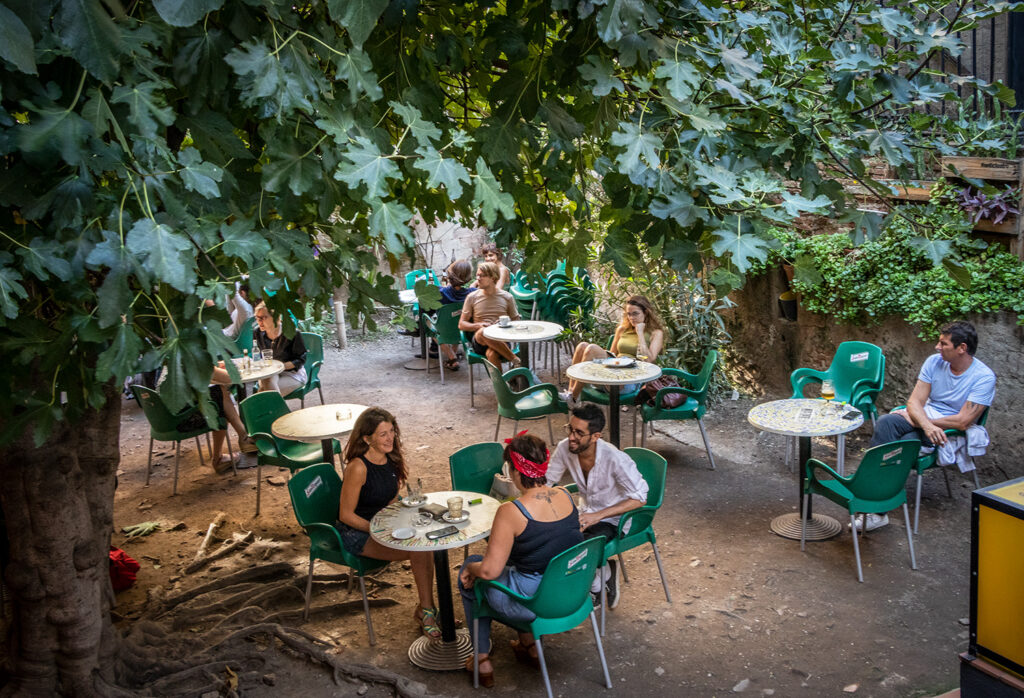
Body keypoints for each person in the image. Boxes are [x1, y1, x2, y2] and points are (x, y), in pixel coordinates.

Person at [458, 432, 583, 687]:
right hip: (571, 591)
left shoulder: (511, 511)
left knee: (473, 569)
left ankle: (481, 660)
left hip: (534, 602)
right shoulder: (566, 496)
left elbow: (491, 572)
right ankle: (530, 647)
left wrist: (471, 566)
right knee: (522, 563)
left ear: (515, 471)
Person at [865, 320, 996, 530]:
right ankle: (872, 493)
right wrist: (924, 424)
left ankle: (876, 507)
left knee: (906, 442)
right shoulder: (934, 362)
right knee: (887, 422)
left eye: (943, 344)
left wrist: (920, 421)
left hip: (949, 431)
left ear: (962, 348)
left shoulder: (983, 377)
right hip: (928, 423)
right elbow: (914, 402)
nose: (937, 347)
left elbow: (963, 421)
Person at [335, 408, 441, 639]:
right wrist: (377, 530)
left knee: (428, 543)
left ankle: (426, 609)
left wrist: (405, 510)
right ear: (366, 438)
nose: (390, 438)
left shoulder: (391, 458)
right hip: (357, 533)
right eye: (382, 434)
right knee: (419, 549)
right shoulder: (358, 467)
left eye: (392, 431)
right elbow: (345, 515)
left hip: (384, 524)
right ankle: (427, 612)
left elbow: (390, 499)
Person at [545, 403, 648, 609]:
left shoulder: (615, 459)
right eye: (570, 429)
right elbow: (547, 482)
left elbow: (640, 498)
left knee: (578, 547)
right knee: (549, 538)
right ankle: (604, 570)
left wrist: (598, 515)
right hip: (584, 512)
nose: (571, 437)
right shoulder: (566, 447)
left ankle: (597, 586)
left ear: (595, 437)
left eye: (579, 433)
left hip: (614, 519)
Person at [561, 295, 665, 405]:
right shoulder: (622, 329)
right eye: (629, 314)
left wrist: (640, 333)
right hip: (612, 373)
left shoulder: (656, 333)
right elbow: (611, 355)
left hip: (630, 379)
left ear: (646, 312)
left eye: (635, 313)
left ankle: (573, 398)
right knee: (582, 346)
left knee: (591, 348)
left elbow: (649, 360)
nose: (631, 318)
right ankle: (571, 393)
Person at [459, 262, 521, 368]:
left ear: (493, 277)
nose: (478, 279)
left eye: (482, 276)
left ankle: (502, 384)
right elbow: (461, 324)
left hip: (502, 339)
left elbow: (517, 322)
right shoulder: (472, 297)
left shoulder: (507, 297)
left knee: (491, 354)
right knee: (484, 331)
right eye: (477, 275)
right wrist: (479, 325)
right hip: (480, 341)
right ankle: (515, 360)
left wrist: (504, 323)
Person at [253, 302, 308, 396]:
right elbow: (257, 354)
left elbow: (300, 360)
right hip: (268, 373)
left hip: (292, 374)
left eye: (263, 317)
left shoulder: (291, 333)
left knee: (265, 392)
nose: (259, 321)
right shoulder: (257, 332)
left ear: (275, 317)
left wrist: (279, 367)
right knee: (267, 382)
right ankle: (282, 411)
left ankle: (255, 409)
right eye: (257, 318)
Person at [436, 259, 474, 371]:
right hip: (463, 331)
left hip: (444, 330)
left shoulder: (441, 292)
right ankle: (453, 354)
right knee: (457, 320)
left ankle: (452, 356)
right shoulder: (472, 293)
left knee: (428, 324)